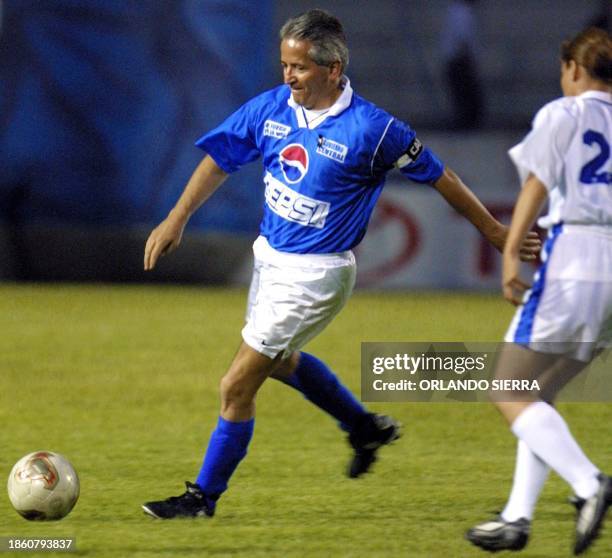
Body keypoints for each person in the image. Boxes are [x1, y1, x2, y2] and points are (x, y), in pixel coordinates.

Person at [141, 9, 539, 520]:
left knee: (236, 384)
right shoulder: (271, 108)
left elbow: (443, 178)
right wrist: (176, 218)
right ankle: (363, 427)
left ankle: (202, 499)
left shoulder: (374, 130)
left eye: (300, 67)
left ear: (332, 69)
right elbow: (220, 157)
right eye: (285, 64)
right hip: (270, 259)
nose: (288, 76)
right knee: (281, 363)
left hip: (317, 273)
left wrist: (497, 233)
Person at [466, 27, 612, 555]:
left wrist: (509, 253)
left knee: (507, 388)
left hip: (575, 258)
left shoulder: (563, 113)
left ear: (573, 69)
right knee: (538, 393)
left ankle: (589, 483)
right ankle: (516, 518)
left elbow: (536, 183)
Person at [441, 0, 485, 129]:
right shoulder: (462, 13)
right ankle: (467, 123)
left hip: (457, 59)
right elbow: (462, 39)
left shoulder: (457, 11)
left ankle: (466, 121)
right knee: (465, 94)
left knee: (462, 95)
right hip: (460, 60)